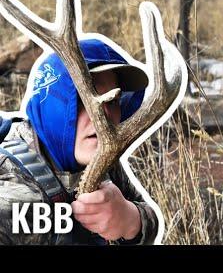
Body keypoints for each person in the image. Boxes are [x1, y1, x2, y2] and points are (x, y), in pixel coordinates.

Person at [0, 38, 160, 245]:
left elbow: (147, 217)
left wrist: (131, 221)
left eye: (113, 100)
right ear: (54, 103)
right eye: (85, 99)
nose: (104, 116)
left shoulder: (103, 161)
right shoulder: (10, 187)